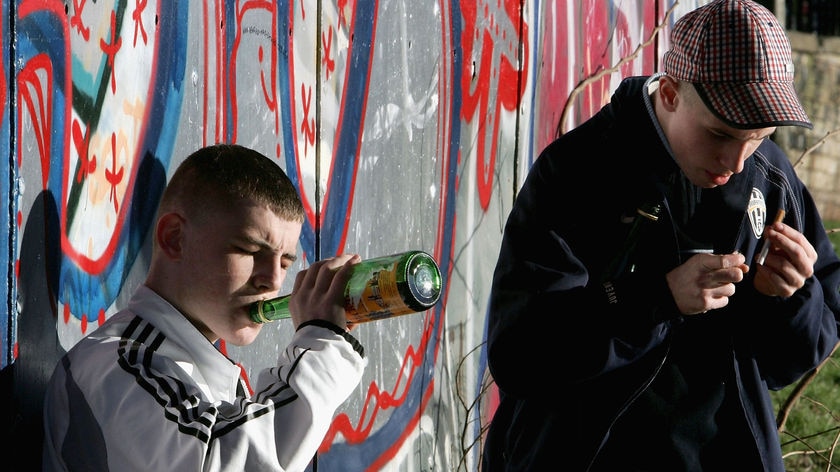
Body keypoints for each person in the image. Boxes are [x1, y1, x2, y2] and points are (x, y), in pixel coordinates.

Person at [481, 0, 840, 470]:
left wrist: (792, 298)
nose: (736, 162)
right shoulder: (579, 172)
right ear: (670, 93)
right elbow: (520, 354)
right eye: (720, 134)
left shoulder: (767, 177)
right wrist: (656, 298)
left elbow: (790, 359)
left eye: (757, 137)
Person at [42, 143, 367, 471]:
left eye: (285, 262)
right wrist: (322, 347)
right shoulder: (121, 365)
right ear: (174, 238)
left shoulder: (191, 370)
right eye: (250, 250)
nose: (272, 280)